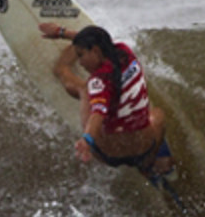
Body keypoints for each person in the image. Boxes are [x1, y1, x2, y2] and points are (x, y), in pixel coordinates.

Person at [38, 23, 174, 183]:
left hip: (110, 155)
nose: (80, 63)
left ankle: (61, 69)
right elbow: (106, 43)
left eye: (81, 55)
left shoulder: (98, 82)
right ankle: (149, 166)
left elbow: (98, 112)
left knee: (83, 89)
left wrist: (87, 139)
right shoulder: (126, 52)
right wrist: (62, 32)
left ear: (95, 51)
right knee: (157, 115)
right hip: (145, 148)